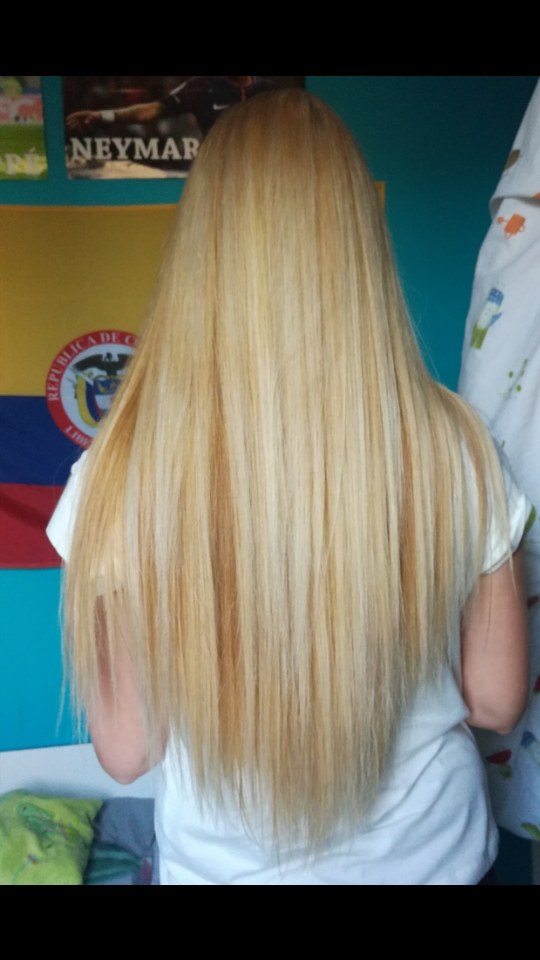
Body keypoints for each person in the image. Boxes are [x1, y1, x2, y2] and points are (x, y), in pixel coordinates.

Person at [47, 90, 531, 885]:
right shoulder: (458, 445)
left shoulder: (120, 472)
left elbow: (127, 749)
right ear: (356, 240)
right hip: (436, 864)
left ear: (204, 249)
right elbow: (496, 700)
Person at [66, 76, 276, 138]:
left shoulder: (269, 90)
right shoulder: (201, 87)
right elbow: (150, 110)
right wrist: (102, 116)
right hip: (218, 178)